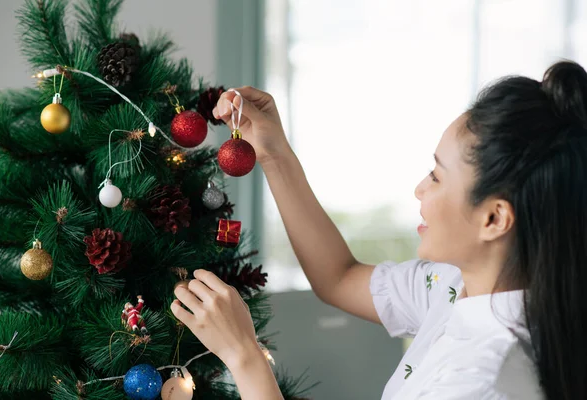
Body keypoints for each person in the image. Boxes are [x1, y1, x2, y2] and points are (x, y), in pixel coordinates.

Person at [171, 60, 587, 399]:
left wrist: (244, 357)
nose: (419, 189)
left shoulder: (486, 379)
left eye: (437, 177)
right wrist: (274, 153)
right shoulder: (457, 284)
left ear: (494, 219)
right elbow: (338, 276)